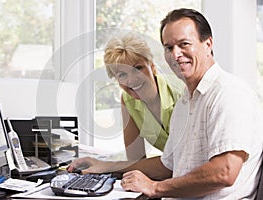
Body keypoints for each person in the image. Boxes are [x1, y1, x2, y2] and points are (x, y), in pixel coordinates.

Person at [68, 8, 263, 198]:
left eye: (184, 44)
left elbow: (224, 172)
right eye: (169, 47)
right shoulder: (186, 102)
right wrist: (106, 167)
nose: (176, 54)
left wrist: (155, 188)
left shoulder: (228, 93)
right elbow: (167, 165)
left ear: (208, 44)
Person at [103, 32, 182, 160]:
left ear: (152, 66)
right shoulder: (128, 100)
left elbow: (183, 159)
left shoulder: (181, 91)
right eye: (122, 75)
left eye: (138, 68)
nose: (132, 80)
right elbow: (136, 159)